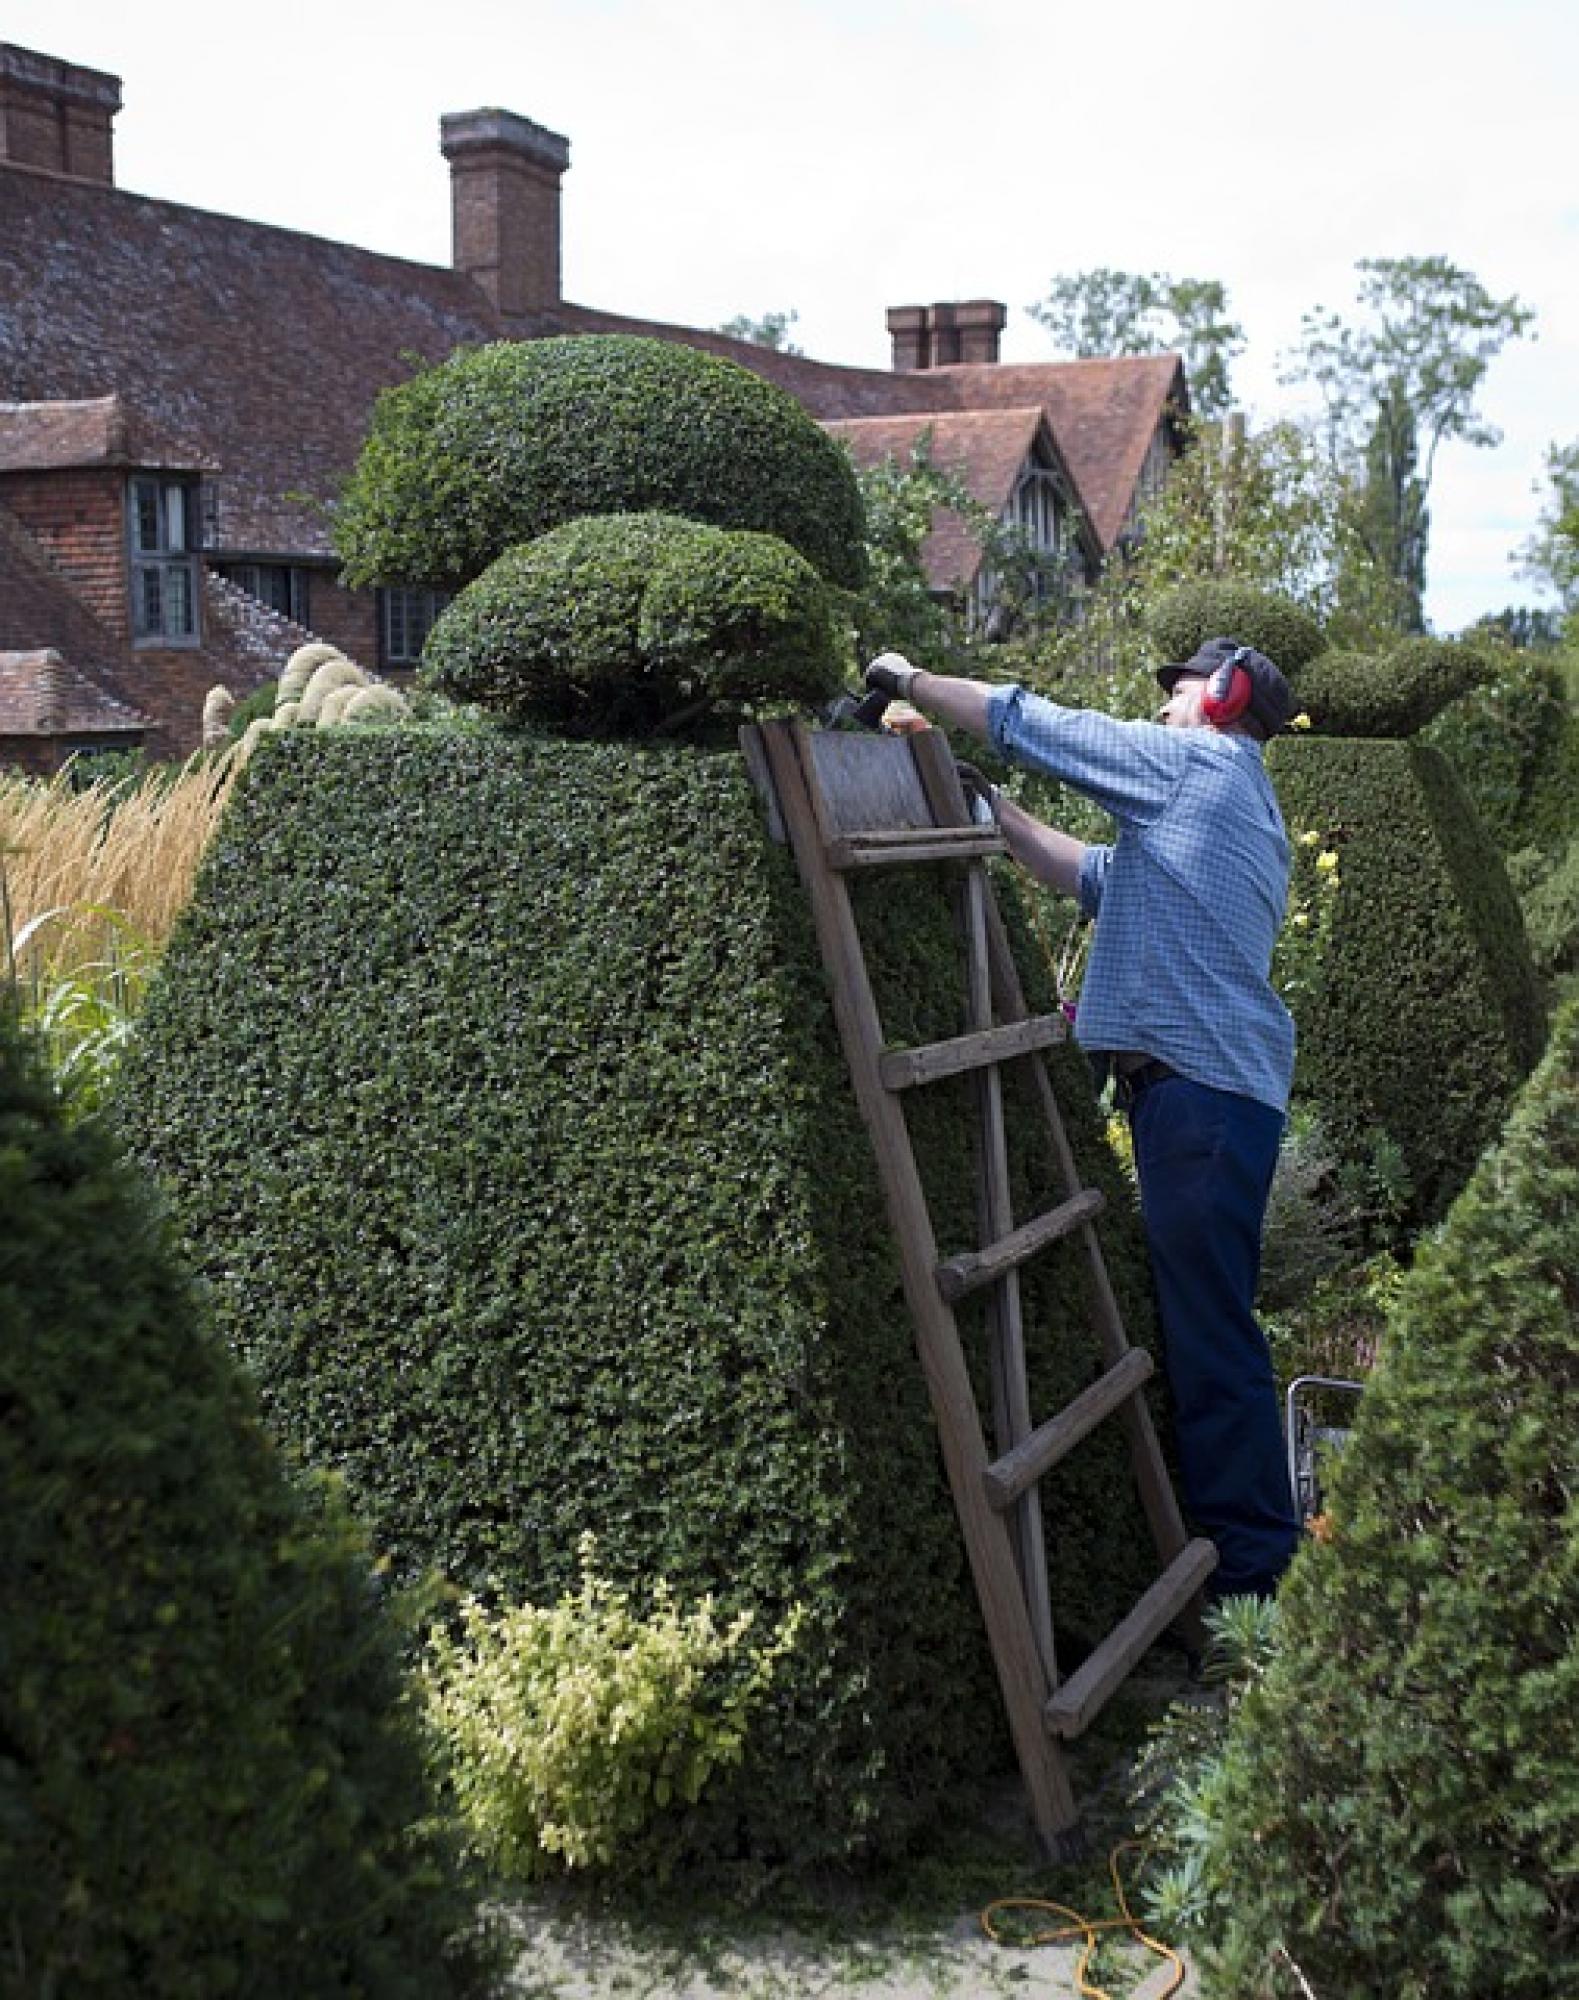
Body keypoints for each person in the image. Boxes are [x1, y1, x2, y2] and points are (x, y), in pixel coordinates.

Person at [862, 637, 1301, 1600]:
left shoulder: (1197, 764)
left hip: (1201, 1098)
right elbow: (1099, 878)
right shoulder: (1233, 797)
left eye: (1178, 691)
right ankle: (1254, 1560)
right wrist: (994, 809)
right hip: (1211, 1097)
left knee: (1212, 1338)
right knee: (1211, 1325)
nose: (1160, 708)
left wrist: (907, 679)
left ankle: (1254, 1586)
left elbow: (1035, 723)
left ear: (1222, 700)